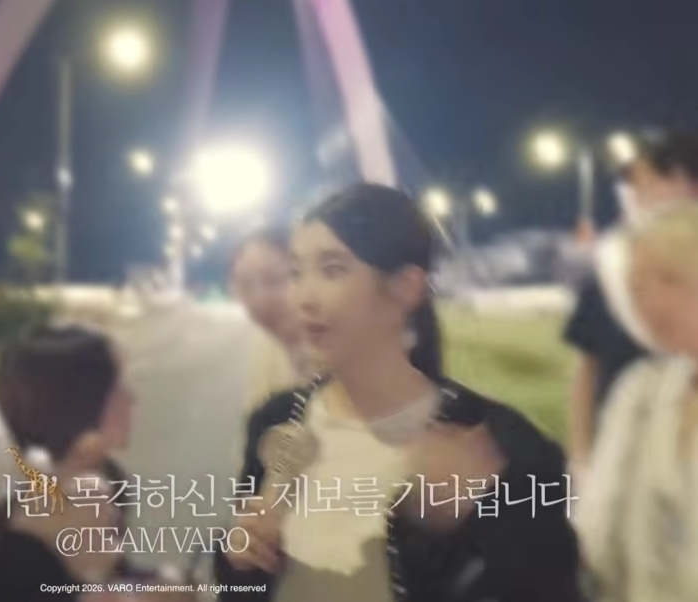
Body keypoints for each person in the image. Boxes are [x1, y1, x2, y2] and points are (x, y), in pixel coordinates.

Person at [213, 184, 582, 602]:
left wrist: (468, 522)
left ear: (405, 287)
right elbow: (241, 589)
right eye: (296, 273)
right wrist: (239, 557)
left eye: (332, 270)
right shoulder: (276, 420)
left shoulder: (502, 445)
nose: (304, 298)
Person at [0, 324, 194, 602]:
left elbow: (107, 575)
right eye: (117, 387)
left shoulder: (106, 476)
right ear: (82, 402)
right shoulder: (25, 516)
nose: (132, 397)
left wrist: (157, 583)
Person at [575, 202, 698, 602]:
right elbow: (597, 523)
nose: (647, 304)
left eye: (667, 279)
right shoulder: (640, 392)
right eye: (635, 289)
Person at [564, 131, 698, 478]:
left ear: (681, 179)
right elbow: (587, 369)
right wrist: (581, 456)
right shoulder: (614, 267)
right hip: (622, 457)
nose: (632, 196)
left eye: (642, 183)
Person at [229, 227, 309, 412]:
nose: (259, 299)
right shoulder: (267, 350)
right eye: (245, 286)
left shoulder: (346, 358)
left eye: (273, 280)